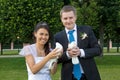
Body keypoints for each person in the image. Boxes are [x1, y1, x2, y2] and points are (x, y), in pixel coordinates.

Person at [54, 5, 102, 80]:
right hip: (69, 76)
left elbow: (98, 50)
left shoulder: (87, 30)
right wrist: (67, 54)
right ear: (61, 19)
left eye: (71, 18)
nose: (68, 21)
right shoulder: (57, 37)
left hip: (89, 75)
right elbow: (56, 59)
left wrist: (81, 52)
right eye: (65, 18)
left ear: (75, 17)